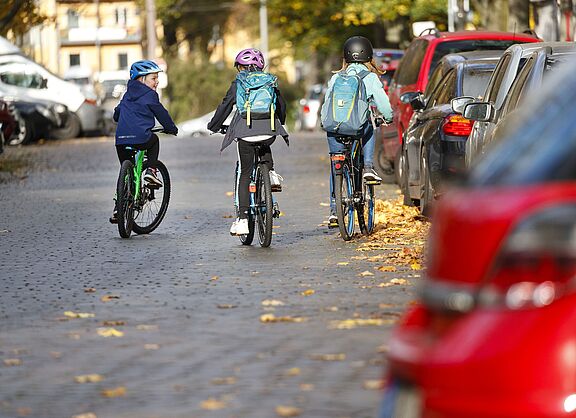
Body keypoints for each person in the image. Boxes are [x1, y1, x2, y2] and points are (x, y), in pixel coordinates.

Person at [207, 48, 289, 236]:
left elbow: (225, 106)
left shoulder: (239, 83)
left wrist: (214, 125)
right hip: (268, 132)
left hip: (245, 133)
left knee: (245, 172)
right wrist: (278, 122)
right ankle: (271, 173)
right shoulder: (270, 82)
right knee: (265, 143)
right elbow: (281, 106)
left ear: (240, 68)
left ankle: (243, 219)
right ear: (261, 65)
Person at [321, 36, 393, 227]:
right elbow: (383, 104)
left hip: (334, 129)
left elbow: (327, 102)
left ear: (345, 57)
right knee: (370, 126)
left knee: (336, 163)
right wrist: (388, 118)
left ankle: (334, 210)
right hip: (358, 129)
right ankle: (368, 167)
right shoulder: (369, 77)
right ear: (369, 57)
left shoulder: (336, 78)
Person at [109, 59, 178, 224]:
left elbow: (116, 114)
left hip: (120, 140)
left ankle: (119, 207)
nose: (157, 82)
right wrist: (171, 128)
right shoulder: (150, 95)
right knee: (154, 140)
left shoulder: (127, 95)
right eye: (153, 78)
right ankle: (151, 172)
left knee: (126, 170)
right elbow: (160, 112)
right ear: (141, 79)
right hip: (142, 138)